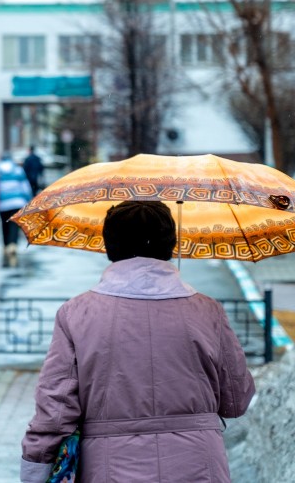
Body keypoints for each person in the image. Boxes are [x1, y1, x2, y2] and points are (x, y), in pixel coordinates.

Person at [20, 200, 256, 483]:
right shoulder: (208, 311)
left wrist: (36, 465)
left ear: (109, 244)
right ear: (171, 244)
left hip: (109, 466)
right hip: (199, 466)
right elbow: (236, 401)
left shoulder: (76, 314)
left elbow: (56, 411)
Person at [0, 152, 33, 267]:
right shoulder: (18, 170)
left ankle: (6, 245)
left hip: (3, 204)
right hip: (17, 202)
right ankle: (13, 245)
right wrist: (29, 200)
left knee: (4, 224)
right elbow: (25, 187)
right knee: (14, 225)